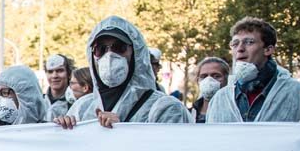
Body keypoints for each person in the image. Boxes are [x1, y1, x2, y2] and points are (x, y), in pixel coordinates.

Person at [53, 16, 190, 129]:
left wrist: (125, 132)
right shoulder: (82, 107)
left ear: (136, 53)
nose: (110, 55)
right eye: (100, 49)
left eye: (119, 47)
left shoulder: (165, 107)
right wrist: (64, 129)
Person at [205, 16, 300, 124]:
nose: (240, 49)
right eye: (235, 44)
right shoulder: (220, 99)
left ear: (268, 49)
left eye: (249, 42)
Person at [191, 57, 230, 123]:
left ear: (227, 80)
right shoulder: (190, 114)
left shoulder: (234, 112)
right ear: (198, 81)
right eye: (203, 76)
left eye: (216, 76)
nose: (209, 80)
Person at [43, 54, 76, 119]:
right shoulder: (38, 102)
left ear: (69, 73)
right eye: (50, 72)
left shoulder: (76, 102)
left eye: (60, 71)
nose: (54, 76)